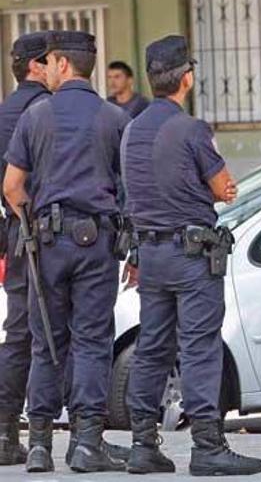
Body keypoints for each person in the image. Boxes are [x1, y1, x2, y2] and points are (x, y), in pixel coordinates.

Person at [121, 35, 261, 476]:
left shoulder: (132, 129)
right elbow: (225, 187)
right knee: (200, 346)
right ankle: (207, 447)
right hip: (190, 255)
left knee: (152, 347)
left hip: (150, 254)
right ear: (187, 78)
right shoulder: (191, 129)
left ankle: (143, 444)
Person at [2, 30, 131, 473]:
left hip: (47, 242)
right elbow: (128, 189)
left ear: (59, 63)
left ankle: (39, 445)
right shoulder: (114, 118)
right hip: (98, 242)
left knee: (45, 342)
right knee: (92, 342)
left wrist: (31, 222)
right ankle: (87, 443)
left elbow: (11, 187)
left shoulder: (36, 116)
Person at [0, 31, 52, 467]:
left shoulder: (3, 112)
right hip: (48, 232)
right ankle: (43, 436)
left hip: (15, 232)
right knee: (54, 332)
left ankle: (5, 433)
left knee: (17, 334)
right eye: (50, 60)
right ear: (37, 66)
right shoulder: (47, 111)